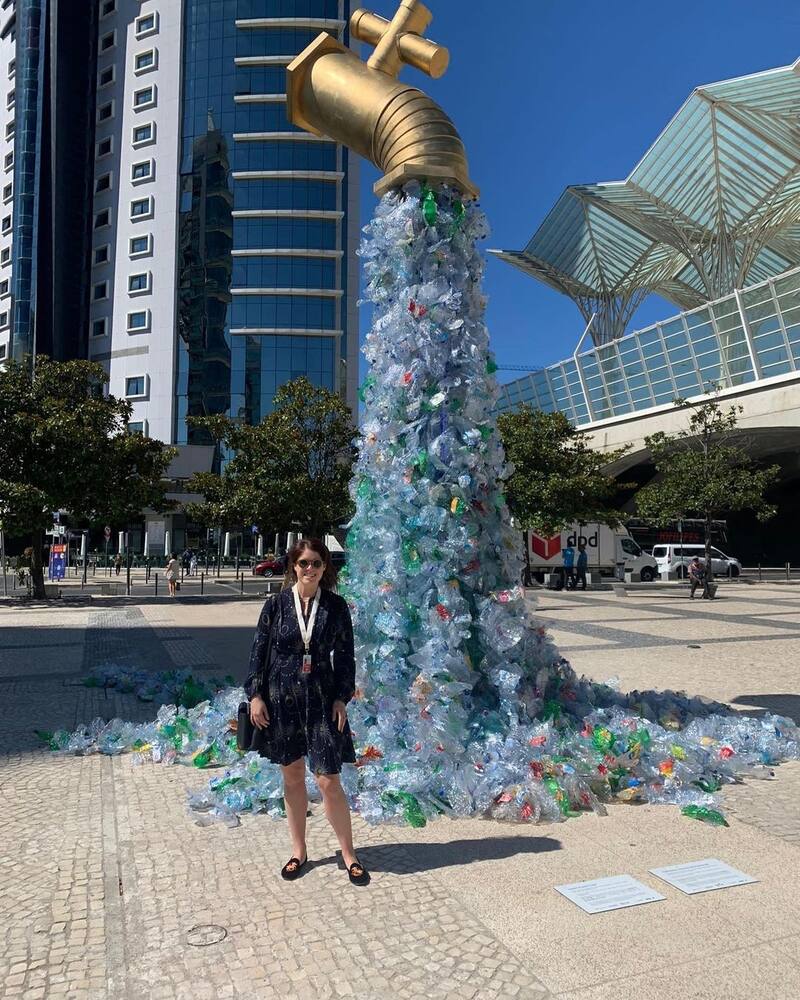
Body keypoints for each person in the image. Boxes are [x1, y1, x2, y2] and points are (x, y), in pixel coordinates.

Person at [244, 538, 368, 886]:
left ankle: (348, 853)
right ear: (293, 567)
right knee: (292, 775)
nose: (309, 569)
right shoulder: (276, 605)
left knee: (329, 779)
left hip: (322, 696)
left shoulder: (335, 607)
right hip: (281, 698)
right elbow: (258, 651)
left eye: (316, 563)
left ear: (325, 567)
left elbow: (346, 657)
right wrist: (255, 695)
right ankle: (299, 850)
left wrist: (342, 697)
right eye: (303, 564)